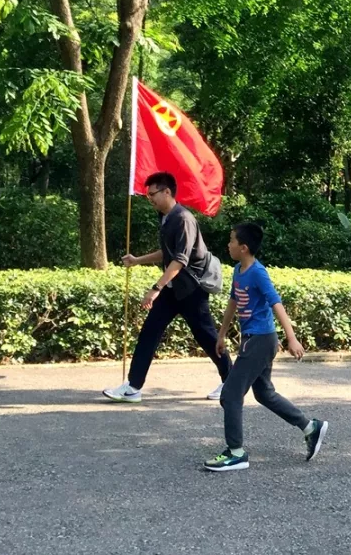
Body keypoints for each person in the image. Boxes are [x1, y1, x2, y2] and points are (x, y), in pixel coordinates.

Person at [204, 223, 329, 472]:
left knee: (230, 394)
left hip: (260, 341)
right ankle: (310, 427)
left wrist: (291, 338)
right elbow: (233, 302)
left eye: (231, 240)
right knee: (263, 393)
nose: (228, 244)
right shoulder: (238, 270)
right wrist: (221, 334)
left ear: (244, 247)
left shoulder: (258, 273)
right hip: (253, 339)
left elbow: (276, 303)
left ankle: (236, 453)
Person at [104, 171, 231, 403]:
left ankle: (231, 382)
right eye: (148, 195)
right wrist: (138, 260)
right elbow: (167, 253)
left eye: (152, 194)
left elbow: (180, 260)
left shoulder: (183, 219)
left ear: (167, 192)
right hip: (173, 289)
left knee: (206, 336)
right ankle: (133, 387)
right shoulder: (165, 217)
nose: (150, 198)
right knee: (149, 332)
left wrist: (156, 288)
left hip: (191, 290)